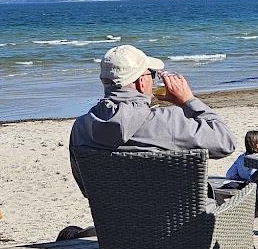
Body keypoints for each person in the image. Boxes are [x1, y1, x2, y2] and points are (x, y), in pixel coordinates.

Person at [68, 44, 235, 193]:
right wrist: (188, 101)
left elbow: (87, 189)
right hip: (179, 223)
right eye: (152, 75)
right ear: (141, 82)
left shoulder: (81, 128)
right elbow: (226, 142)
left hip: (116, 223)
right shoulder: (167, 122)